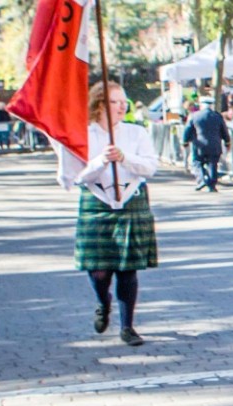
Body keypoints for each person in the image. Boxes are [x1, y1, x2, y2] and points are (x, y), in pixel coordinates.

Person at [58, 80, 160, 347]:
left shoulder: (136, 133)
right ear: (100, 105)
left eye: (123, 101)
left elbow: (150, 167)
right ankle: (103, 303)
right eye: (115, 101)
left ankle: (128, 326)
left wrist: (125, 158)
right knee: (100, 270)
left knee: (128, 269)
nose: (122, 106)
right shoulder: (83, 134)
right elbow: (75, 177)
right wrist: (101, 160)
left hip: (131, 199)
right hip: (98, 200)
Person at [185, 95, 230, 192]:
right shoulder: (217, 116)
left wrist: (185, 141)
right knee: (213, 163)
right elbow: (224, 130)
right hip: (215, 144)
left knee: (197, 162)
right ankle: (212, 185)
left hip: (199, 144)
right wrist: (227, 141)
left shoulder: (195, 116)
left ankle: (201, 180)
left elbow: (188, 129)